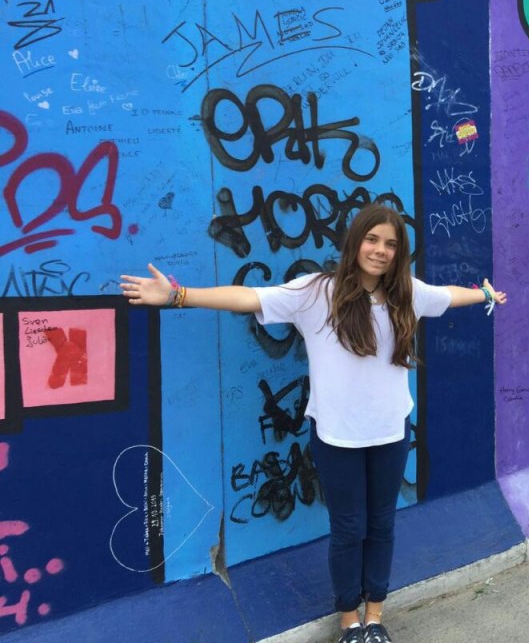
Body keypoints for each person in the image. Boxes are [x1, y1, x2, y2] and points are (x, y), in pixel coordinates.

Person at [120, 203, 507, 643]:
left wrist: (484, 295)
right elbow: (250, 298)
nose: (380, 251)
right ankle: (349, 622)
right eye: (372, 239)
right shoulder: (317, 292)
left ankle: (375, 617)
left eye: (390, 244)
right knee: (349, 530)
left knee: (382, 525)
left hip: (390, 434)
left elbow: (448, 294)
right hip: (336, 438)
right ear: (355, 241)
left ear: (399, 252)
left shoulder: (407, 294)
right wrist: (178, 295)